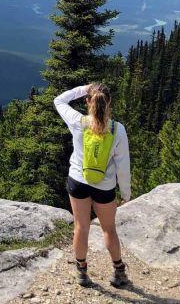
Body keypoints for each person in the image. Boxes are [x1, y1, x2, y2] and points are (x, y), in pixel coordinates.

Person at [54, 83, 131, 288]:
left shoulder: (78, 122)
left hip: (78, 181)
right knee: (109, 229)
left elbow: (58, 100)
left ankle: (82, 272)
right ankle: (118, 271)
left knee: (81, 227)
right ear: (109, 103)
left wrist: (83, 88)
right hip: (104, 187)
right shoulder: (117, 129)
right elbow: (123, 165)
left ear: (88, 102)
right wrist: (125, 193)